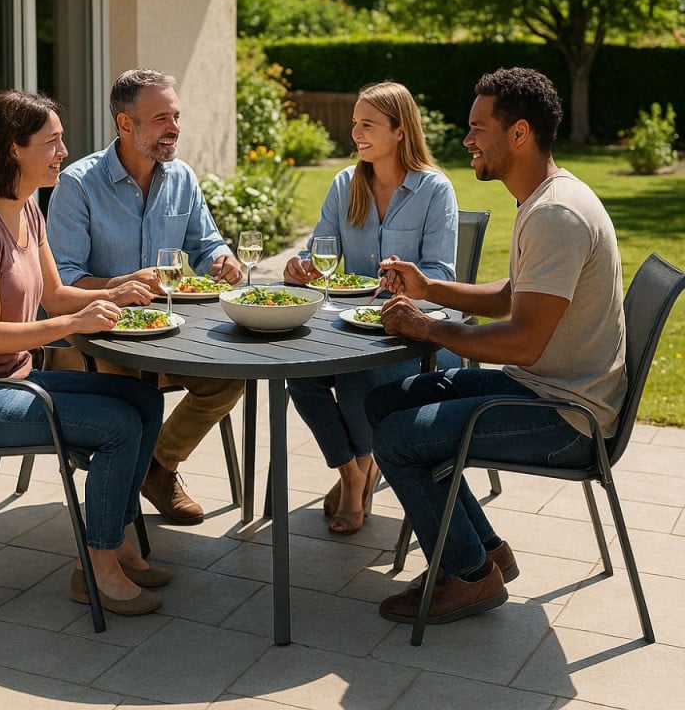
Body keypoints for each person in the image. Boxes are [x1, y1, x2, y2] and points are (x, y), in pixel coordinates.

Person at [365, 67, 627, 625]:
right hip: (548, 388)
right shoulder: (546, 197)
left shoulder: (555, 213)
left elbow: (524, 342)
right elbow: (516, 296)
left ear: (519, 133)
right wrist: (430, 287)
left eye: (478, 128)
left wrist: (429, 327)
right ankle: (483, 552)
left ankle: (468, 578)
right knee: (387, 401)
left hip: (566, 414)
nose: (467, 140)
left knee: (397, 438)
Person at [0, 90, 171, 617]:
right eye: (52, 142)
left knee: (144, 401)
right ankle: (96, 566)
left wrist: (117, 289)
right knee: (117, 426)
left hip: (14, 379)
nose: (64, 152)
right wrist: (72, 324)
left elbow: (56, 295)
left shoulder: (28, 207)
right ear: (14, 149)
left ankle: (117, 537)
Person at [46, 68, 245, 525]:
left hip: (168, 334)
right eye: (160, 118)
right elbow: (64, 282)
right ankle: (116, 514)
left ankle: (158, 466)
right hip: (94, 341)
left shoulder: (182, 177)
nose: (173, 128)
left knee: (229, 378)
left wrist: (223, 258)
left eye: (175, 116)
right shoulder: (78, 185)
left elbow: (206, 243)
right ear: (125, 124)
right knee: (132, 395)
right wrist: (119, 284)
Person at [282, 81, 458, 535]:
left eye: (368, 125)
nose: (356, 133)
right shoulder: (346, 184)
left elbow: (442, 275)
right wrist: (301, 267)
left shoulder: (434, 190)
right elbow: (319, 251)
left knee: (357, 376)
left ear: (400, 131)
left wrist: (411, 281)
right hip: (350, 327)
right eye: (354, 123)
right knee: (299, 373)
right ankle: (354, 471)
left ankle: (359, 478)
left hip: (413, 336)